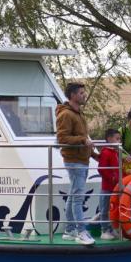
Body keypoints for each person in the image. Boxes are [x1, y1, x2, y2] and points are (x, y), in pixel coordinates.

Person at [55, 82, 95, 246]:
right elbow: (62, 139)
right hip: (74, 160)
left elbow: (81, 138)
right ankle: (81, 231)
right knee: (78, 197)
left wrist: (94, 154)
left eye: (83, 93)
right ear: (72, 95)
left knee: (73, 195)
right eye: (81, 93)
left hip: (82, 159)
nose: (84, 95)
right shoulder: (66, 115)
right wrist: (82, 140)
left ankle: (70, 229)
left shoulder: (78, 113)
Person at [96, 128, 122, 240]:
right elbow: (101, 168)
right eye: (117, 139)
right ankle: (104, 230)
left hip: (115, 187)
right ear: (109, 139)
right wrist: (111, 178)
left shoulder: (116, 152)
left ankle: (111, 229)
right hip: (107, 187)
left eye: (120, 139)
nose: (119, 141)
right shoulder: (106, 152)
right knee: (105, 208)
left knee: (113, 209)